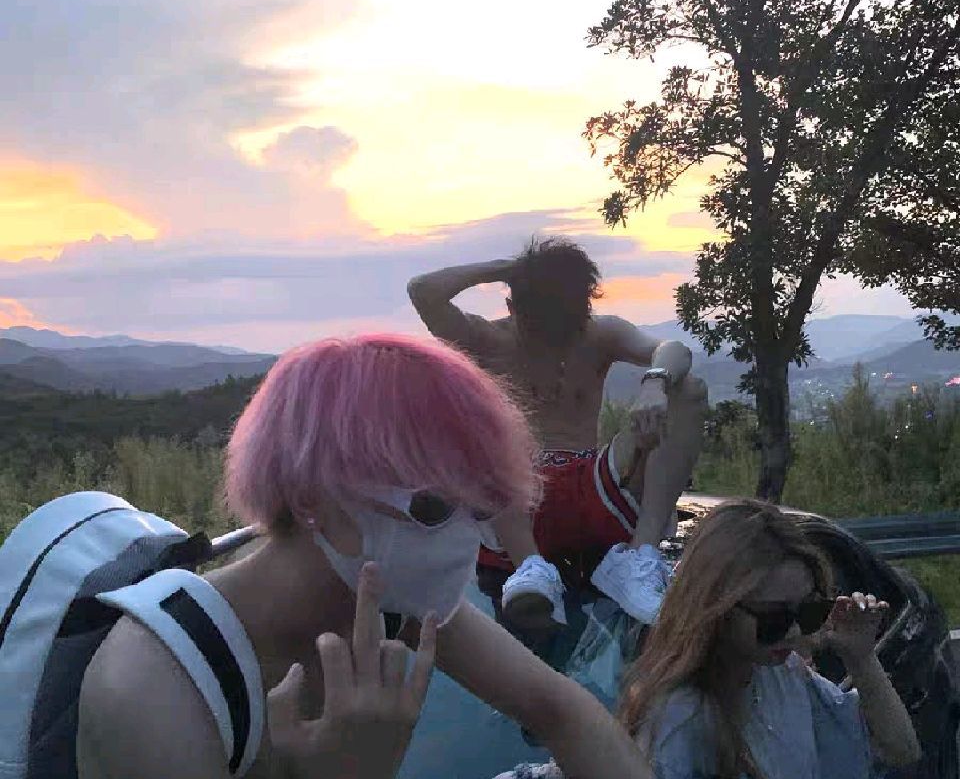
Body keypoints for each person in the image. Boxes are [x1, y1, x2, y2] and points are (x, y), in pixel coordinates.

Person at [76, 334, 657, 779]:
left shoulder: (390, 599)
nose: (465, 538)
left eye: (483, 507)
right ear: (310, 498)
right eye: (432, 507)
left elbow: (562, 711)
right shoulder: (155, 687)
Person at [495, 499, 922, 779]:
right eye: (774, 618)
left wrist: (860, 657)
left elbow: (900, 750)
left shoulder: (780, 674)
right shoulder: (681, 716)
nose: (794, 632)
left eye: (808, 611)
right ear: (717, 608)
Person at [407, 238, 708, 630]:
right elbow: (423, 291)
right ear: (513, 308)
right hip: (516, 495)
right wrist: (509, 268)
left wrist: (656, 383)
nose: (555, 340)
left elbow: (674, 349)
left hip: (593, 482)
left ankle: (640, 556)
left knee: (688, 389)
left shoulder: (599, 334)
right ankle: (530, 566)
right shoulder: (485, 339)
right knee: (465, 418)